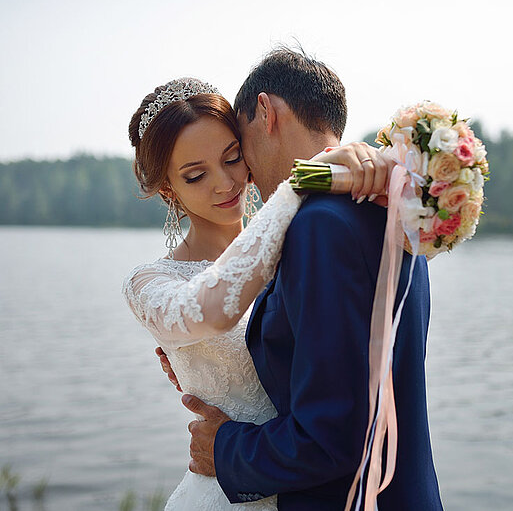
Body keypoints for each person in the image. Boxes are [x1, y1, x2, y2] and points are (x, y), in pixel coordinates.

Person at [165, 48, 444, 510]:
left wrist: (224, 448)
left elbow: (330, 436)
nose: (245, 175)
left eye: (240, 148)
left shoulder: (320, 225)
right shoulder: (396, 210)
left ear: (266, 112)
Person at [123, 72, 393, 510]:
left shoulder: (305, 242)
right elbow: (211, 309)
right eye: (196, 175)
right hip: (225, 493)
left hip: (312, 484)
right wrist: (299, 184)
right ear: (169, 189)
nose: (225, 183)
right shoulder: (151, 283)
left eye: (232, 157)